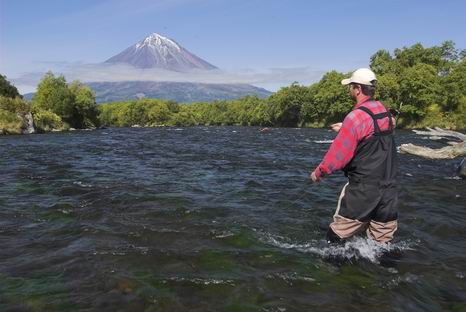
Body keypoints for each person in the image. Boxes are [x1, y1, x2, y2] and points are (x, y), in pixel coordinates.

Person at [310, 68, 398, 244]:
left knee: (335, 238)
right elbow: (378, 128)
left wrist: (319, 173)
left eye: (350, 86)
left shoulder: (355, 118)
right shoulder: (384, 111)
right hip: (389, 190)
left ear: (357, 89)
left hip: (363, 191)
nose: (349, 90)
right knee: (383, 246)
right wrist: (347, 127)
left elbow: (338, 156)